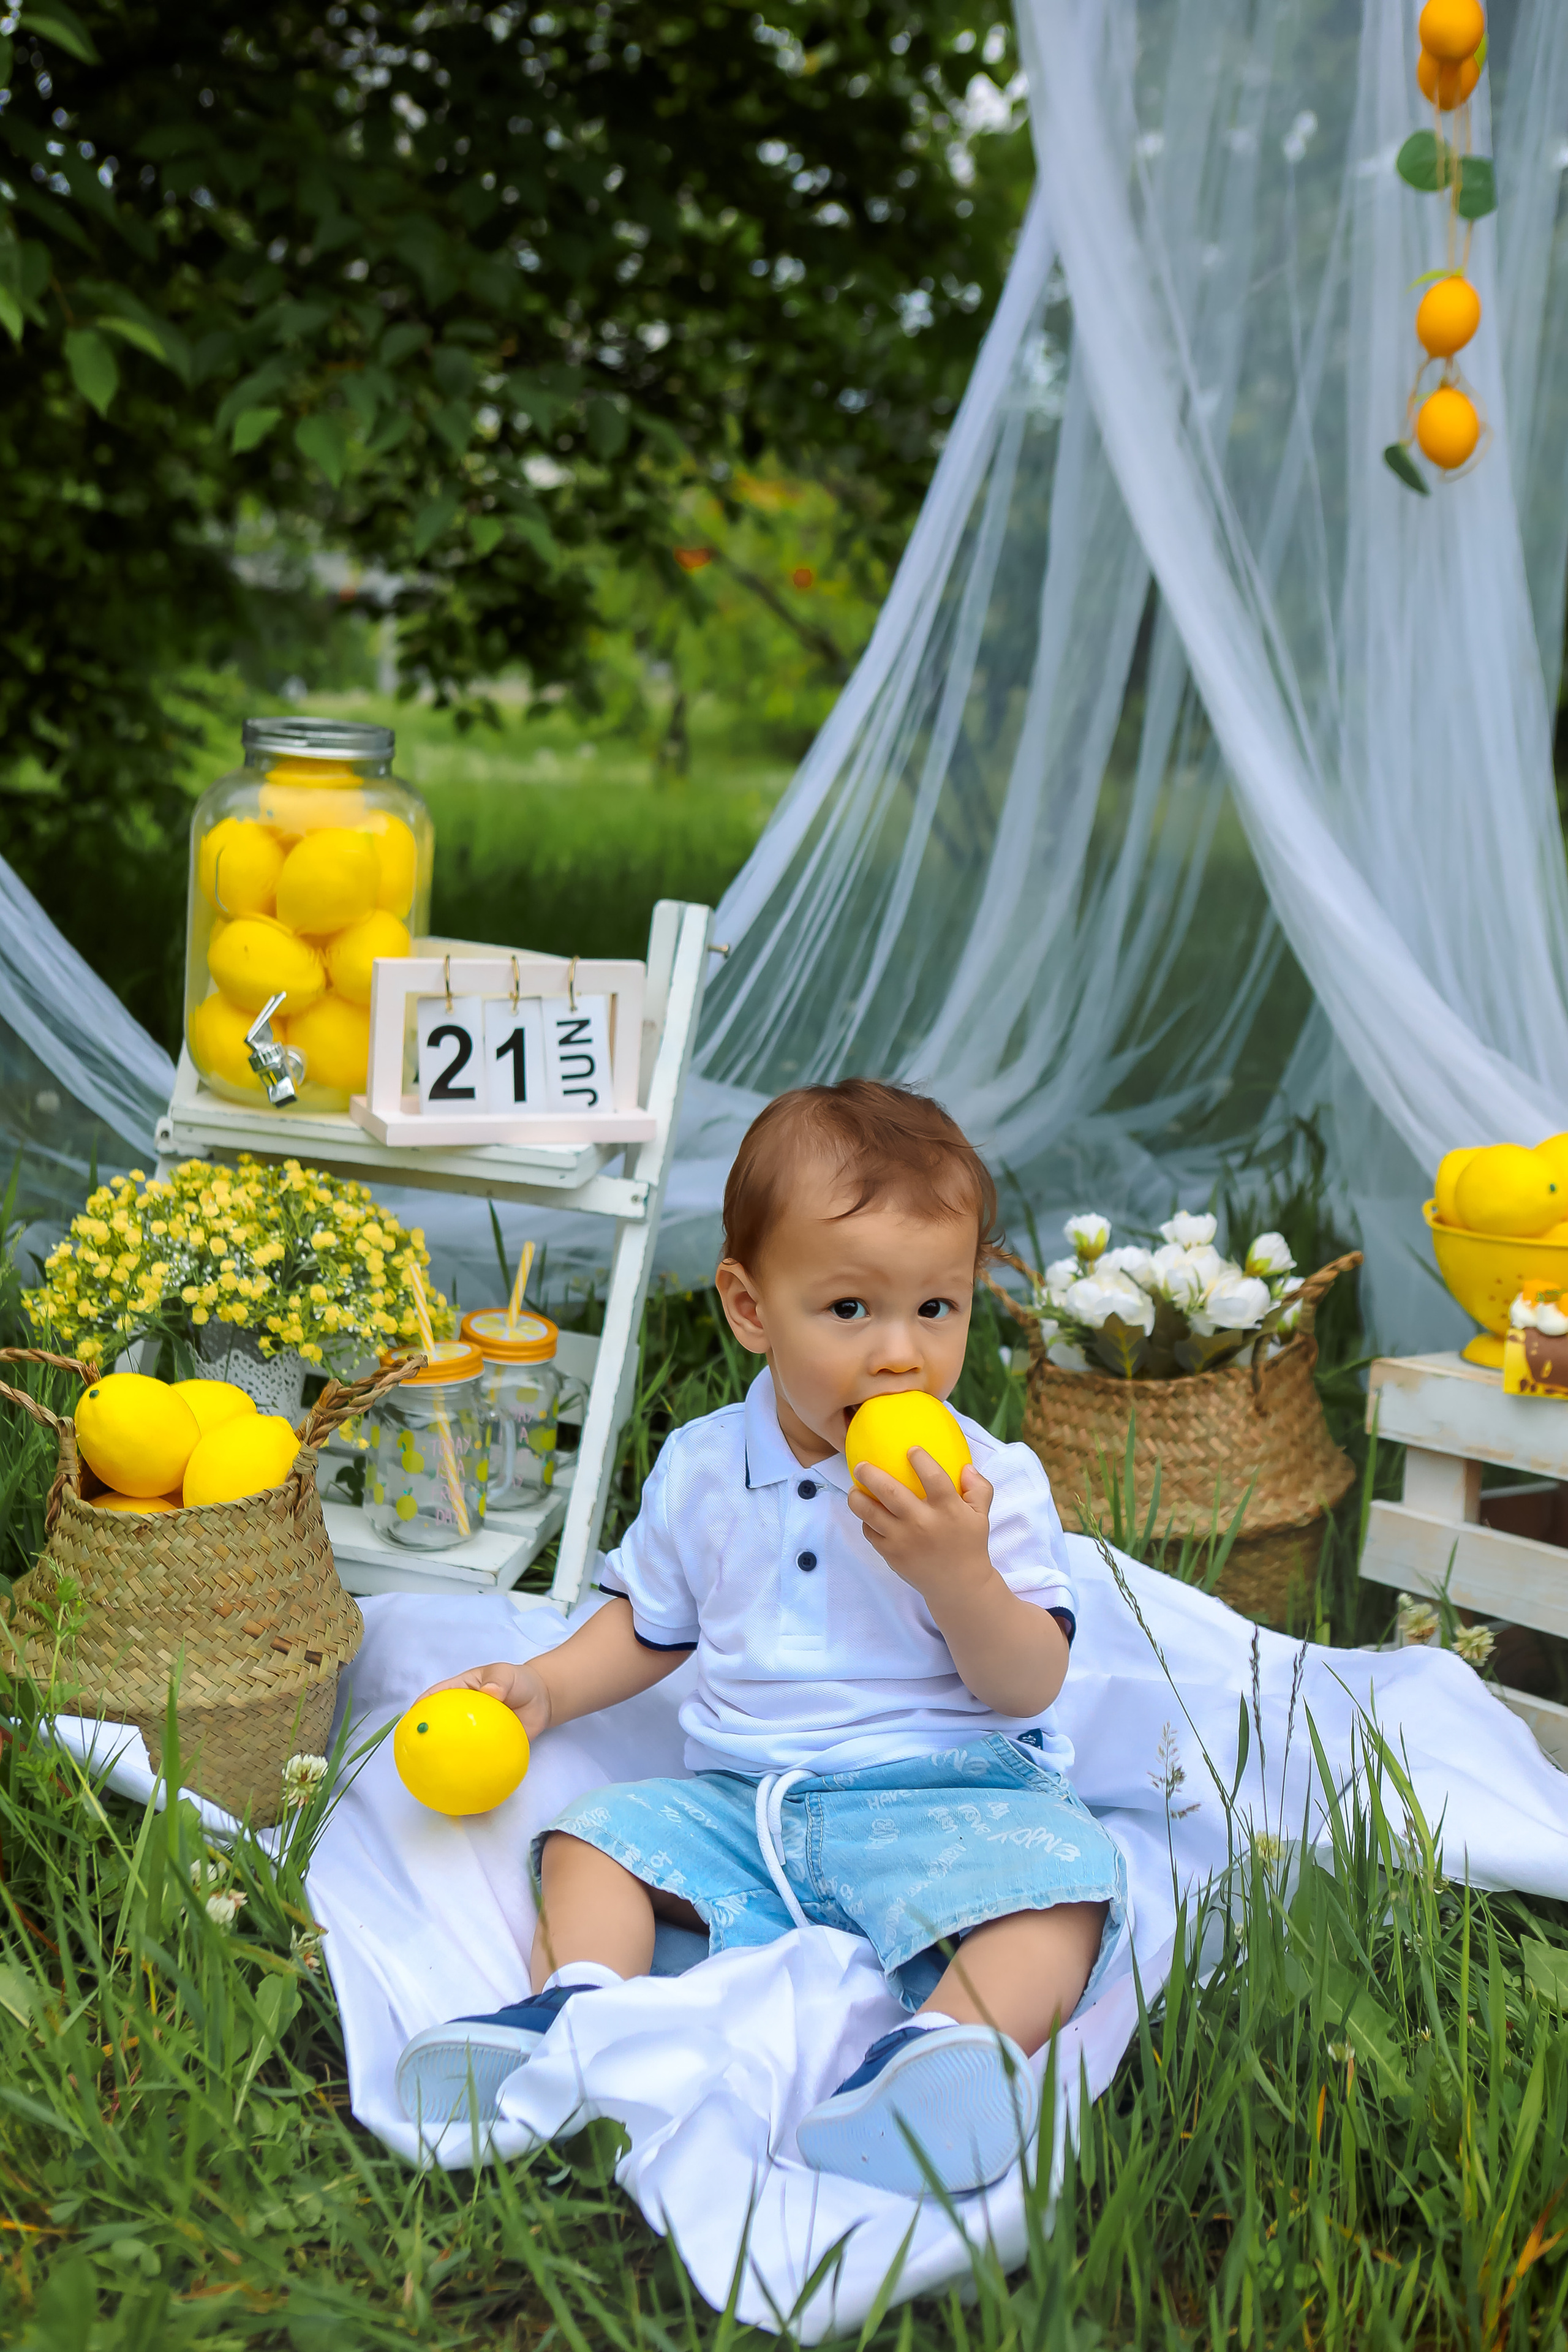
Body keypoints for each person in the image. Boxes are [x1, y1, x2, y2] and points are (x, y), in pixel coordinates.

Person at [396, 1080, 1126, 2196]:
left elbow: (1027, 1683)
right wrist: (544, 1690)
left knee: (1068, 1882)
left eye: (936, 1309)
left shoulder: (990, 1484)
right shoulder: (703, 1466)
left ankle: (941, 2054)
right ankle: (578, 2010)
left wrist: (956, 1571)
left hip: (941, 1797)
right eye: (848, 1311)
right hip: (752, 1807)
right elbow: (651, 1625)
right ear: (749, 1308)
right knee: (593, 1838)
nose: (900, 1356)